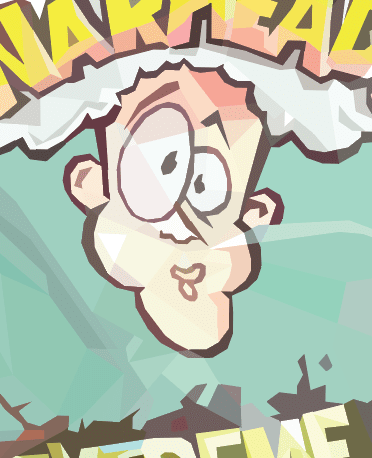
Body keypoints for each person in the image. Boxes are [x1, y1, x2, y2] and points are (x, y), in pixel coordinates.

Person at [63, 62, 283, 357]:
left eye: (174, 300)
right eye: (205, 296)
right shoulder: (233, 263)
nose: (188, 285)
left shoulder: (123, 256)